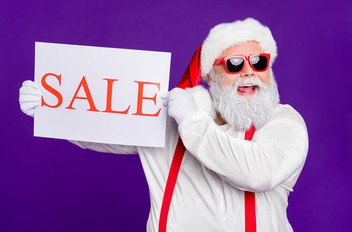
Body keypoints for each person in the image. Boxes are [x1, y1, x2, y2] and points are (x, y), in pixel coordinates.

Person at [19, 18, 308, 232]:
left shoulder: (283, 122)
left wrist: (191, 121)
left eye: (260, 62)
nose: (249, 71)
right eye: (234, 64)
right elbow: (103, 130)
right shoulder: (176, 117)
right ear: (210, 75)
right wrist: (51, 110)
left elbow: (258, 173)